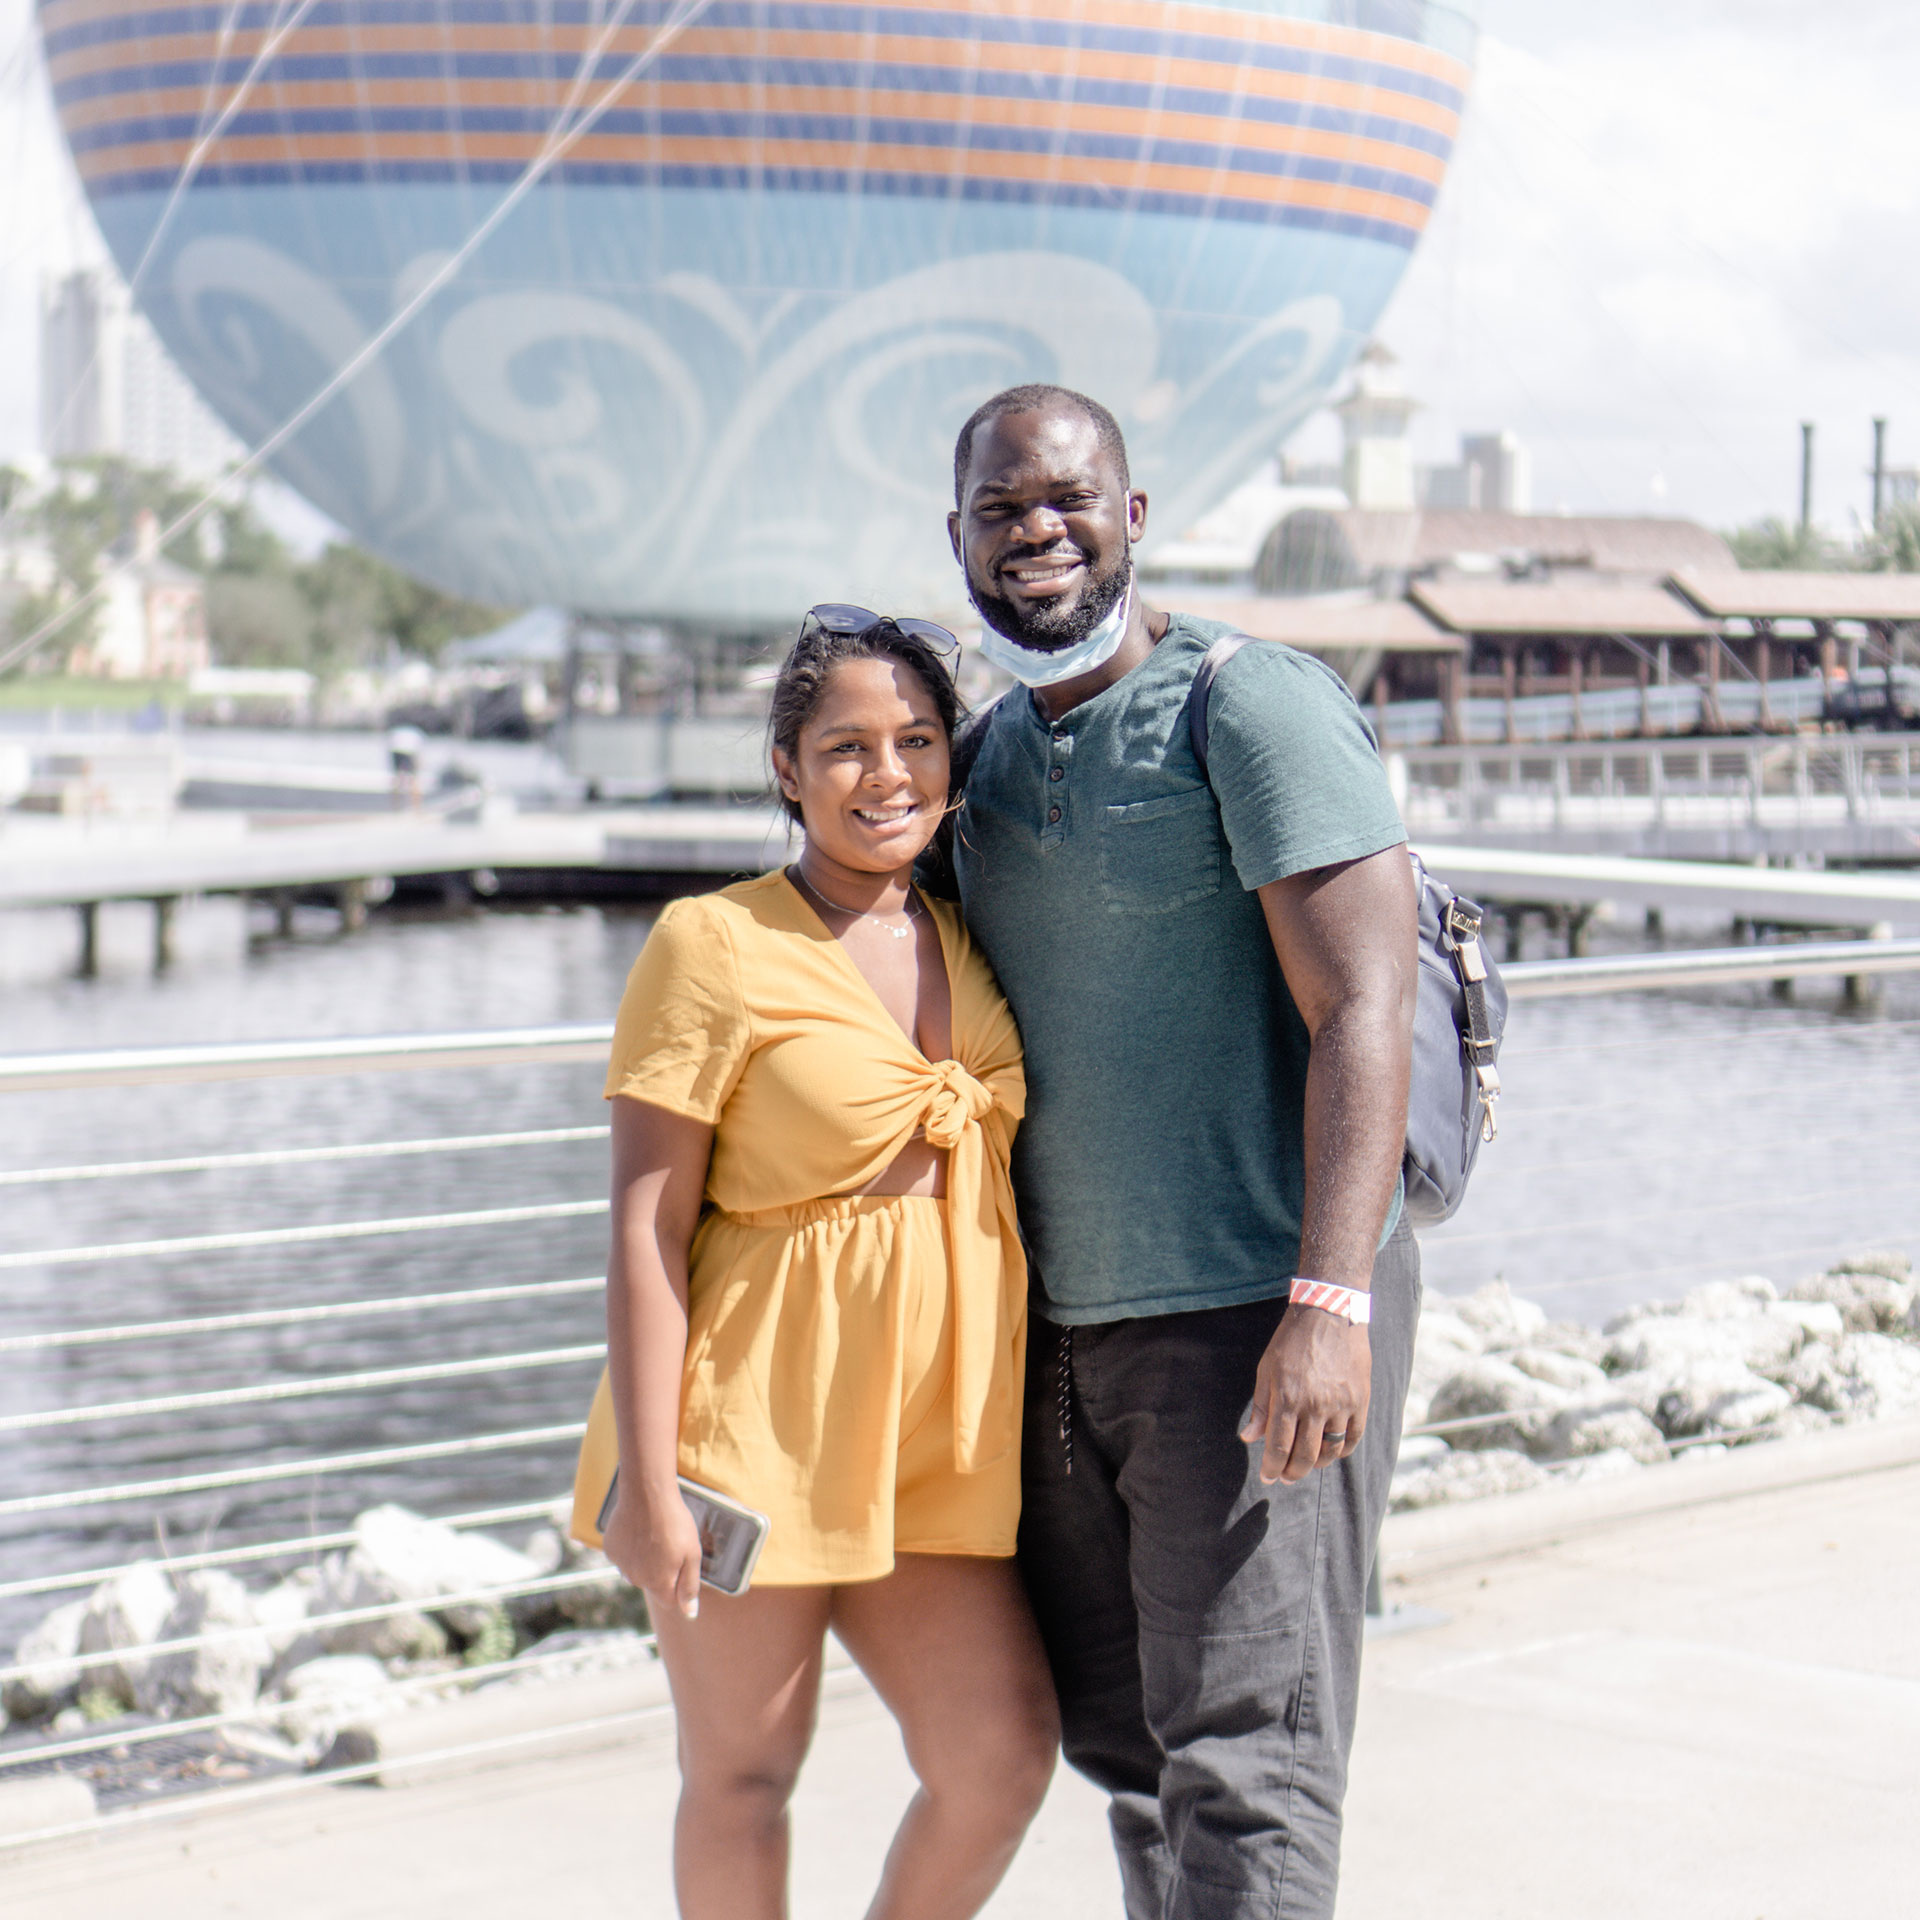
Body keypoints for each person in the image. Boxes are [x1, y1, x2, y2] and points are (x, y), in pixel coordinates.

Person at [940, 384, 1420, 1920]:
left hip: (1250, 1317)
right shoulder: (985, 762)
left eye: (1068, 498)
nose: (1038, 532)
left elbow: (1367, 1005)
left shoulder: (1248, 703)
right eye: (1002, 508)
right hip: (1067, 1351)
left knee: (1251, 1770)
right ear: (957, 538)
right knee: (1138, 1757)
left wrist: (1327, 1306)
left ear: (1132, 517)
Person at [575, 606, 1057, 1920]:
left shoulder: (966, 937)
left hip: (922, 1444)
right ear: (787, 765)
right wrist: (659, 1484)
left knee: (1000, 1754)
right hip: (746, 1436)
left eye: (915, 738)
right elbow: (643, 1226)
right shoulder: (712, 944)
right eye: (845, 745)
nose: (887, 772)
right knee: (744, 1772)